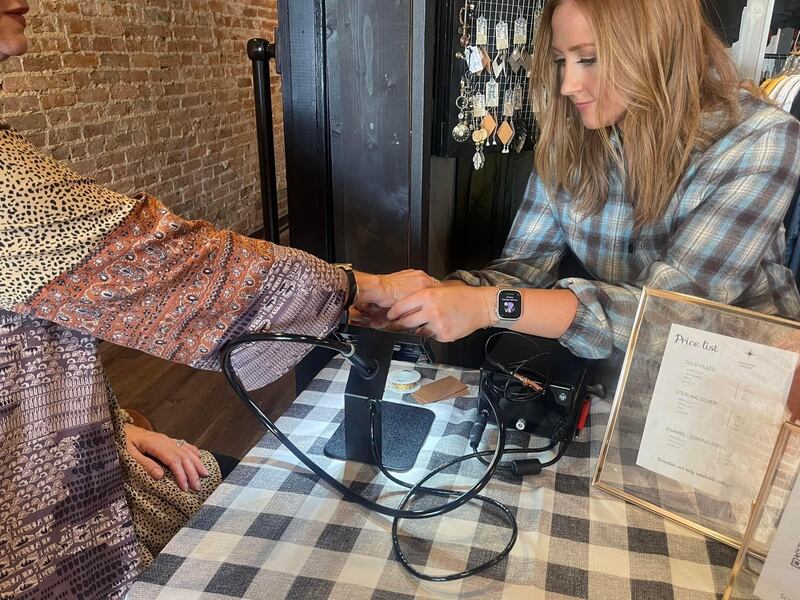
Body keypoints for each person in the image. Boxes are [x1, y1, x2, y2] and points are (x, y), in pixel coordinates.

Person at [0, 2, 435, 598]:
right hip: (31, 534)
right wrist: (362, 285)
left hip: (65, 463)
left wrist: (110, 428)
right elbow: (166, 264)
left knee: (219, 490)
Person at [367, 0, 800, 361]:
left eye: (589, 58)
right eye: (560, 61)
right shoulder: (572, 138)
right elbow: (524, 268)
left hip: (740, 373)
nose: (568, 85)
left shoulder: (758, 138)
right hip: (613, 369)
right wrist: (433, 298)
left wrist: (488, 306)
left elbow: (674, 317)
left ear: (657, 47)